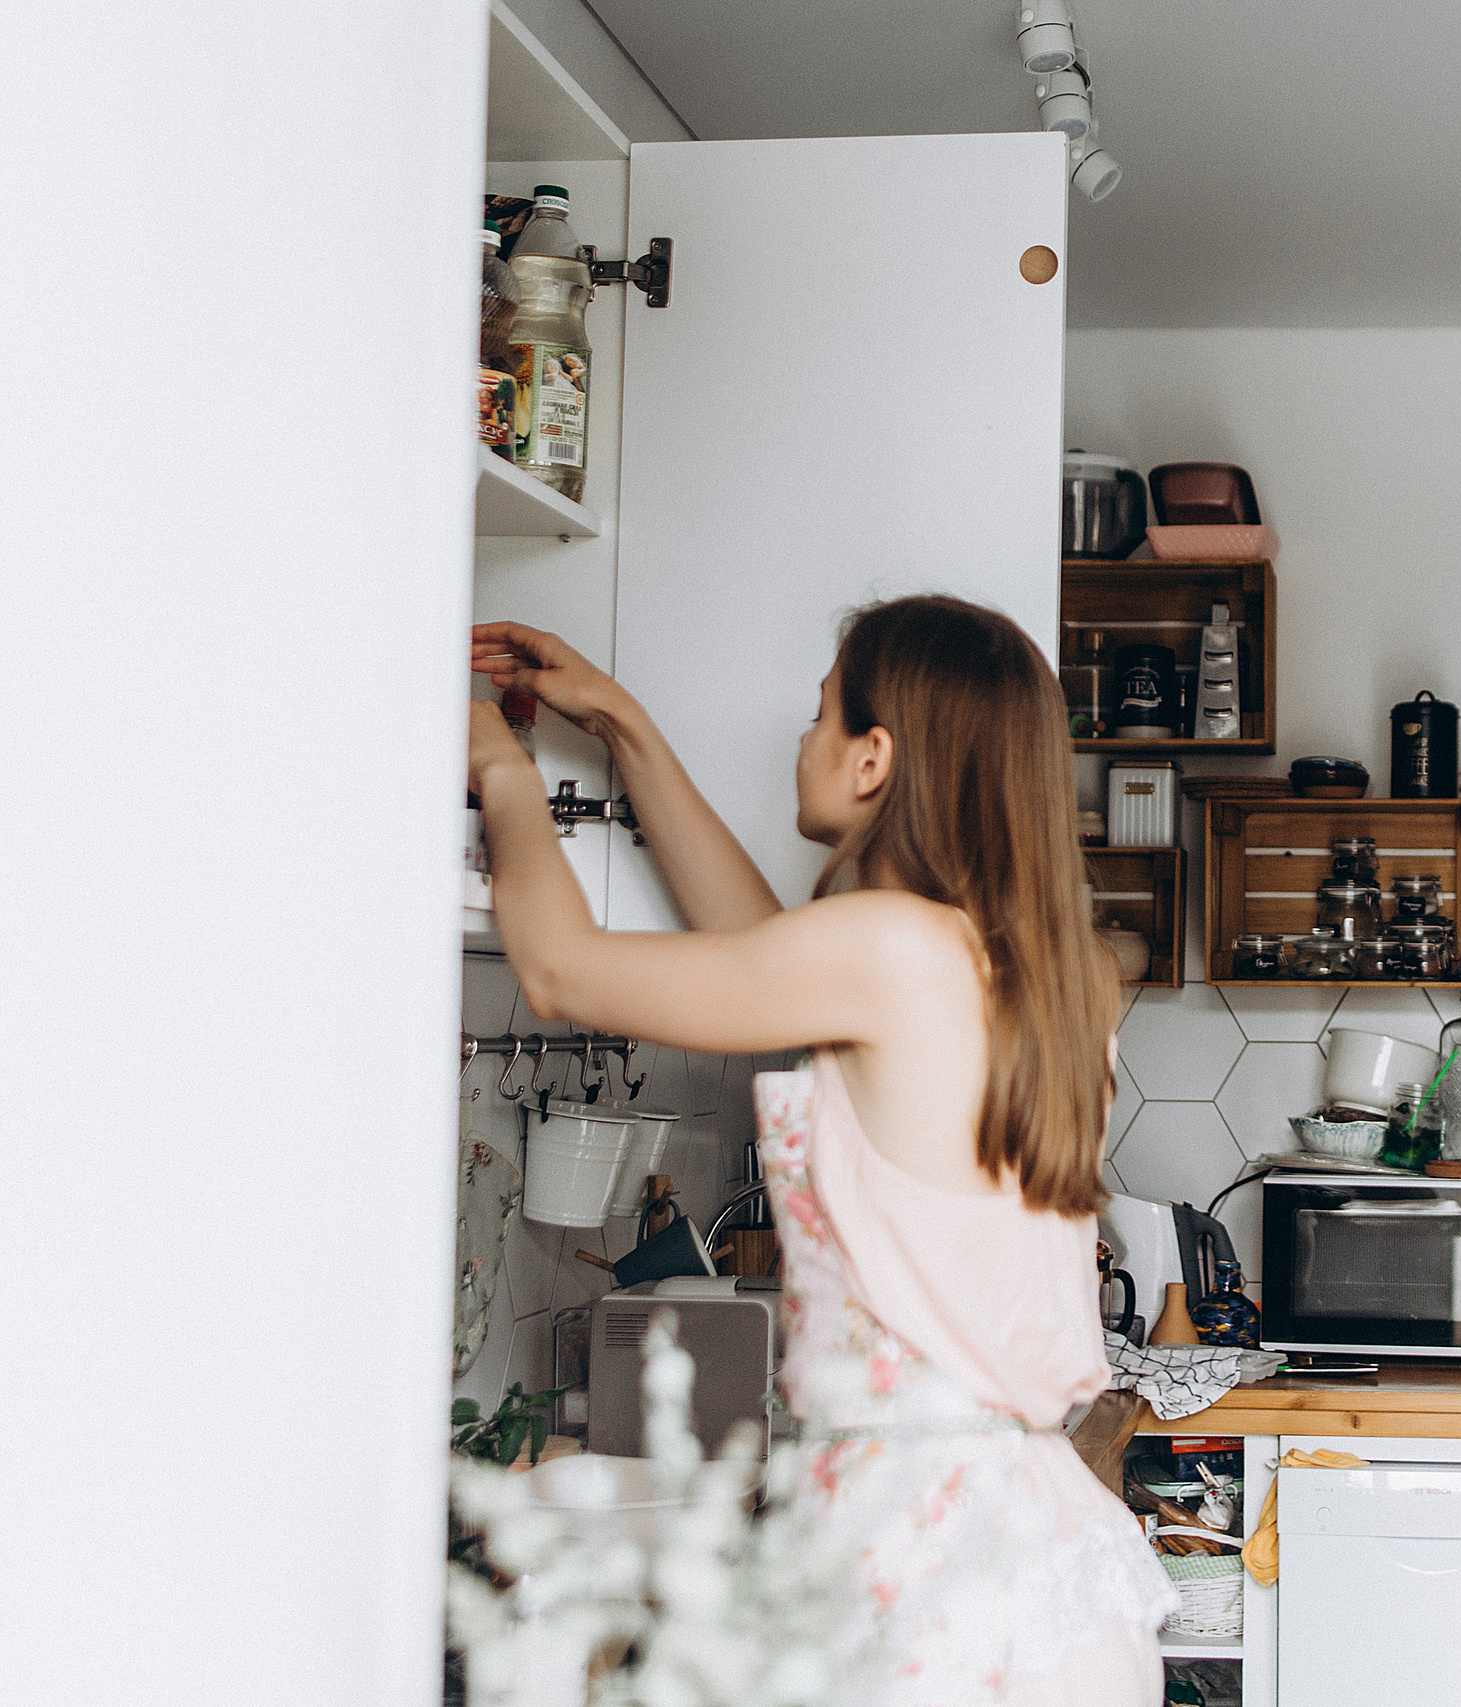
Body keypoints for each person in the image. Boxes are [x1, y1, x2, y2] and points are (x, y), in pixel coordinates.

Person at [467, 595, 1175, 1705]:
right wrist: (620, 724)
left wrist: (499, 767)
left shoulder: (889, 950)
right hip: (1024, 1564)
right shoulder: (1037, 974)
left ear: (872, 758)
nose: (801, 741)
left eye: (819, 715)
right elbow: (759, 952)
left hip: (924, 1575)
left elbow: (558, 969)